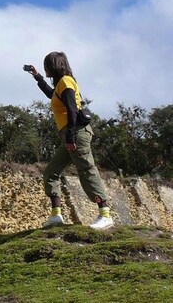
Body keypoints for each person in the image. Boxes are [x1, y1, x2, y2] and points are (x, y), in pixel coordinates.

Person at [26, 51, 114, 230]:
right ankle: (56, 216)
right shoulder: (61, 84)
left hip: (76, 133)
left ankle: (105, 215)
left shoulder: (66, 82)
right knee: (51, 172)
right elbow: (52, 95)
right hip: (69, 133)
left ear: (54, 66)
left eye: (46, 66)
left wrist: (71, 136)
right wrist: (37, 76)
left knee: (86, 169)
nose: (45, 69)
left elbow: (72, 110)